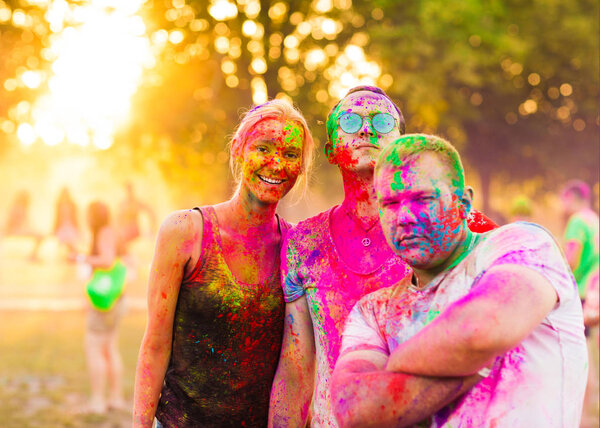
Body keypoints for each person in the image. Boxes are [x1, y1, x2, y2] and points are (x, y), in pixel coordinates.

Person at [269, 87, 496, 427]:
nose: (366, 130)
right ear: (330, 149)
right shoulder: (304, 242)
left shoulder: (442, 223)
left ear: (400, 144)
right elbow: (295, 365)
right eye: (350, 121)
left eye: (382, 121)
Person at [331, 134, 588, 427]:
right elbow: (351, 408)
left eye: (422, 198)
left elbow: (482, 329)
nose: (404, 217)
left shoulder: (521, 245)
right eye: (390, 203)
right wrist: (469, 364)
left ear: (463, 202)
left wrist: (393, 368)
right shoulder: (373, 311)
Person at [132, 99, 315, 428]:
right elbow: (156, 344)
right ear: (238, 149)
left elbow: (298, 366)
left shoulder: (296, 249)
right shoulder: (185, 232)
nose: (276, 164)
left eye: (290, 154)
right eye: (263, 148)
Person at [74, 201, 126, 414]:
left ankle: (97, 401)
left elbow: (107, 260)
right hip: (117, 299)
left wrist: (81, 258)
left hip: (104, 302)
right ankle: (115, 398)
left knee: (94, 348)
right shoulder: (112, 232)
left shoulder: (104, 233)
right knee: (109, 348)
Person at [560, 179, 599, 424]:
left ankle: (580, 415)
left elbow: (571, 259)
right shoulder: (594, 220)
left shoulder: (577, 222)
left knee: (576, 355)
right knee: (587, 353)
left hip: (580, 293)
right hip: (595, 293)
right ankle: (587, 408)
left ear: (571, 198)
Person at [116, 181, 156, 256]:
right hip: (125, 232)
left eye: (130, 190)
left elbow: (150, 212)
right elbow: (118, 219)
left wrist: (152, 227)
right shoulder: (122, 204)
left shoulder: (136, 202)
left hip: (135, 231)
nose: (129, 192)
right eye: (127, 190)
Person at [3, 190, 44, 261]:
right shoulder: (17, 207)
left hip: (18, 229)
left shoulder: (22, 208)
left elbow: (28, 223)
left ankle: (33, 255)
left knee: (40, 235)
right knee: (40, 236)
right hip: (14, 230)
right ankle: (33, 255)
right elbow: (10, 221)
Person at [53, 187, 79, 257]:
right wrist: (54, 228)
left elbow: (75, 218)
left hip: (70, 226)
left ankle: (73, 256)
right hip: (62, 227)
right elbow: (57, 218)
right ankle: (65, 257)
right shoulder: (58, 205)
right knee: (62, 244)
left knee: (70, 243)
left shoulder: (73, 205)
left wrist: (77, 228)